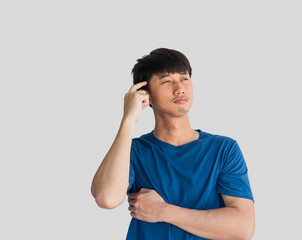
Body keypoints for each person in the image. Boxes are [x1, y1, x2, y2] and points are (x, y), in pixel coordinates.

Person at [91, 48, 255, 240]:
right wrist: (128, 120)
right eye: (167, 81)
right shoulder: (134, 151)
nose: (180, 88)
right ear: (146, 94)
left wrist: (163, 211)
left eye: (184, 78)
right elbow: (106, 198)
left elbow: (243, 228)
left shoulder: (223, 149)